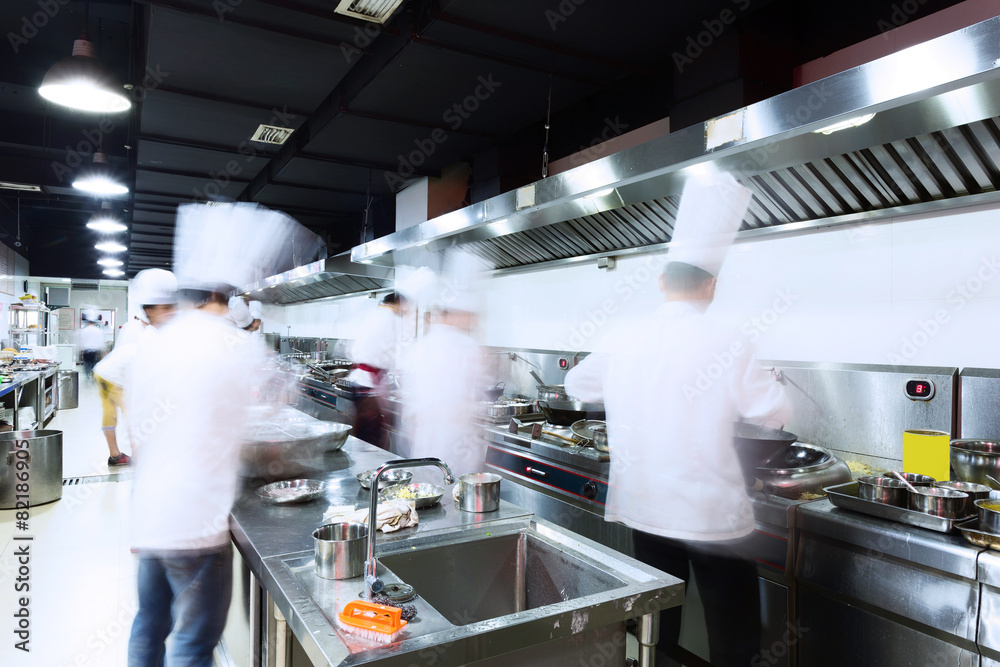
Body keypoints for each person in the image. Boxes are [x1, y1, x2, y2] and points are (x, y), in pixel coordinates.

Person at [564, 174, 791, 667]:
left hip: (646, 507)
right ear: (712, 284)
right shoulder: (729, 338)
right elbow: (773, 413)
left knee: (654, 630)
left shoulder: (626, 334)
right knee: (734, 639)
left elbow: (576, 387)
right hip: (712, 517)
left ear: (663, 282)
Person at [126, 202, 293, 666]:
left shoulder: (158, 343)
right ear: (227, 296)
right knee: (194, 643)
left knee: (149, 625)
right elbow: (273, 411)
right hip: (197, 524)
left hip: (152, 514)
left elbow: (138, 435)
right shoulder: (235, 345)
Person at [402, 252, 490, 477]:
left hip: (425, 444)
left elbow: (413, 407)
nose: (475, 321)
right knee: (457, 501)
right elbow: (476, 399)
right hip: (457, 446)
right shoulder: (467, 347)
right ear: (461, 313)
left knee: (425, 499)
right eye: (473, 315)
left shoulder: (423, 344)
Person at [93, 269, 178, 467]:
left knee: (123, 415)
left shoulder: (154, 332)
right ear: (148, 311)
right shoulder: (142, 334)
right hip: (112, 376)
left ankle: (123, 455)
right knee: (131, 416)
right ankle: (131, 456)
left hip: (112, 372)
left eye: (172, 307)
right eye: (164, 308)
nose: (170, 313)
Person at [344, 292, 410, 447]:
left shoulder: (374, 316)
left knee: (364, 434)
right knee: (371, 438)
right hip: (368, 386)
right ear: (398, 303)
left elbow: (355, 350)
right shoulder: (388, 318)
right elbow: (388, 354)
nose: (405, 311)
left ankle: (364, 467)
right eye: (405, 307)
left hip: (359, 381)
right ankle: (370, 469)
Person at [78, 310, 105, 381]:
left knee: (87, 365)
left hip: (86, 351)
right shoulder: (98, 330)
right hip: (95, 351)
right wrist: (103, 353)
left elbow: (81, 342)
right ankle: (93, 377)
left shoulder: (83, 330)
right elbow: (101, 343)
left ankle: (87, 377)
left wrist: (80, 352)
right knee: (94, 365)